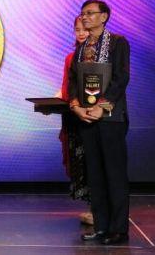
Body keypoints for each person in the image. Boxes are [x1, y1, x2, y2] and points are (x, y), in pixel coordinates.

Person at [68, 0, 130, 245]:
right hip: (86, 117)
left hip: (110, 118)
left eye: (90, 13)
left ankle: (119, 229)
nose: (85, 17)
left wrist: (101, 106)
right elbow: (74, 80)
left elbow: (121, 78)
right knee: (94, 174)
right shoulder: (81, 48)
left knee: (114, 173)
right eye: (83, 14)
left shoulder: (117, 42)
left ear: (104, 17)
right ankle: (101, 226)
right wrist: (76, 105)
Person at [58, 16, 92, 225]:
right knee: (81, 163)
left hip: (94, 117)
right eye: (77, 29)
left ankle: (101, 209)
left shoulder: (101, 55)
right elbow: (66, 87)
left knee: (95, 163)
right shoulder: (70, 58)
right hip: (74, 117)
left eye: (85, 29)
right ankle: (92, 207)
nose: (81, 33)